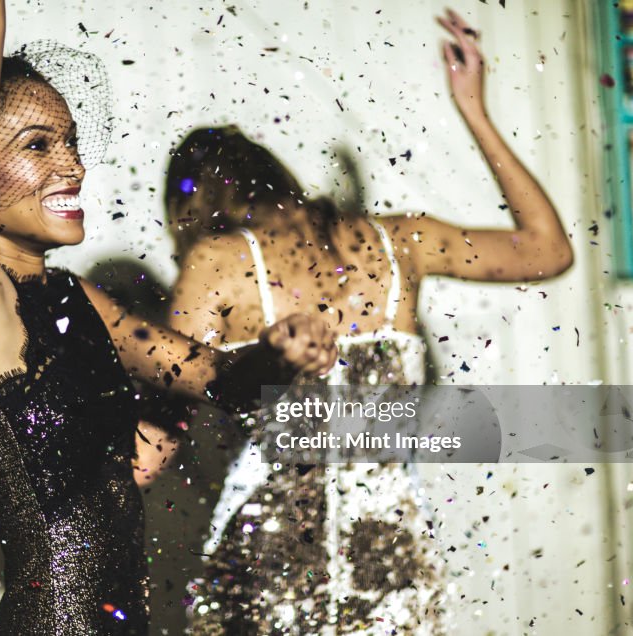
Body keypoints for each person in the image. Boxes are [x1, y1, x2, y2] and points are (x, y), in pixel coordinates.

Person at [0, 1, 336, 633]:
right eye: (38, 145)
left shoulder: (74, 297)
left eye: (70, 141)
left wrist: (279, 352)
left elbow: (222, 382)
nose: (73, 165)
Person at [164, 9, 573, 634]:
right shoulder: (399, 243)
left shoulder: (216, 262)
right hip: (392, 568)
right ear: (278, 179)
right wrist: (473, 109)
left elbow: (167, 414)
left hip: (267, 575)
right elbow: (548, 250)